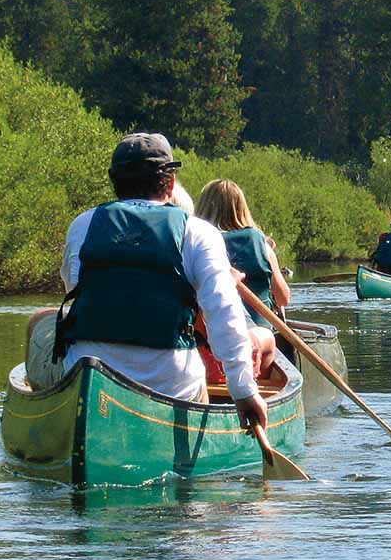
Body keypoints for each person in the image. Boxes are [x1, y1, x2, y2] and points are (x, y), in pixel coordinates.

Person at [23, 132, 269, 432]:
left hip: (90, 376)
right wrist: (243, 391)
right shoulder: (200, 233)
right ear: (170, 181)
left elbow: (73, 287)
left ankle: (50, 423)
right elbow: (225, 316)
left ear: (115, 180)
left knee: (40, 321)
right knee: (196, 380)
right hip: (172, 384)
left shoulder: (83, 225)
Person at [195, 177, 289, 349]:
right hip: (259, 338)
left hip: (211, 339)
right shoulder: (262, 246)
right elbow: (283, 297)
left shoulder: (196, 245)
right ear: (242, 208)